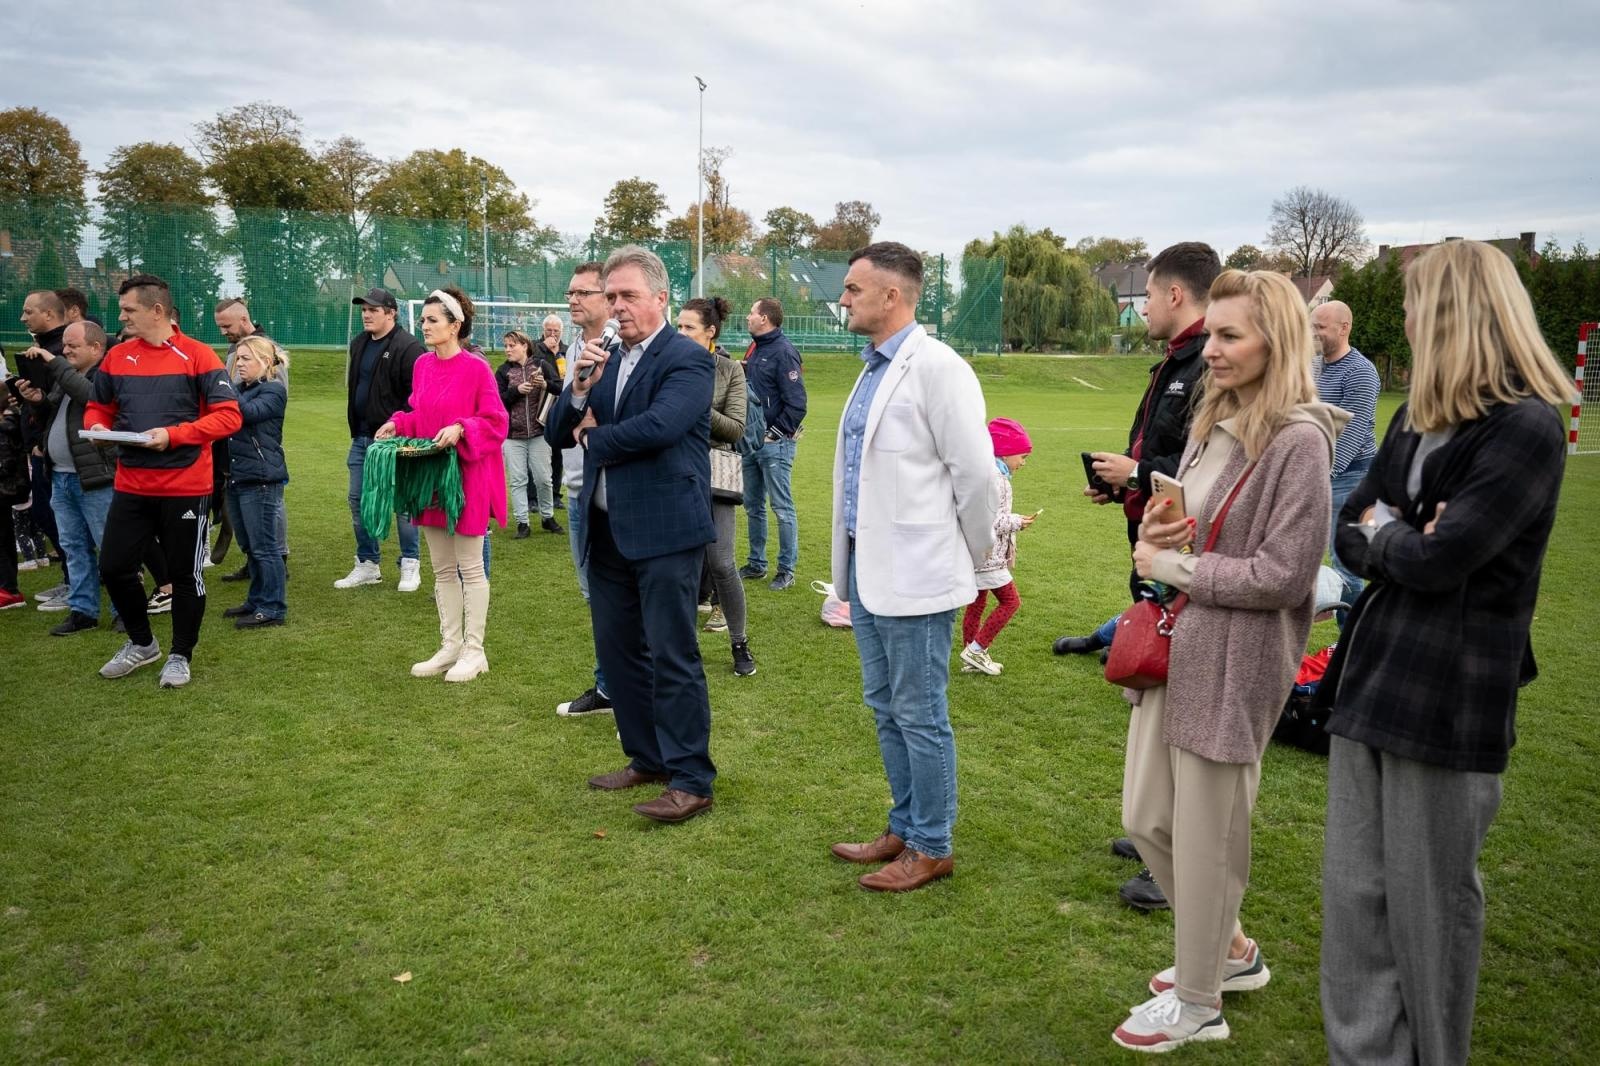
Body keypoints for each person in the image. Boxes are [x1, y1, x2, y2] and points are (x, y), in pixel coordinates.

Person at [1316, 240, 1574, 1066]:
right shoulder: (1415, 416)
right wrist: (1395, 531)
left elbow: (1442, 555)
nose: (1409, 319)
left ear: (1463, 312)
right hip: (1371, 679)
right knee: (1356, 900)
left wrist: (1387, 532)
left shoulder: (1528, 426)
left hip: (1450, 698)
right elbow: (1347, 527)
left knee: (1429, 912)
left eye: (1421, 302)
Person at [1109, 269, 1344, 1052]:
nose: (1210, 349)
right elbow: (1191, 531)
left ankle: (1201, 1000)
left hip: (1237, 662)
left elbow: (1286, 576)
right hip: (1176, 651)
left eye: (1230, 336)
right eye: (1211, 334)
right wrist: (1158, 540)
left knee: (1208, 836)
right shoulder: (1219, 417)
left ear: (1275, 343)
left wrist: (1184, 570)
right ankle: (1231, 951)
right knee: (1147, 818)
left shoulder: (1301, 441)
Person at [1053, 240, 1221, 913]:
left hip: (1185, 559)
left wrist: (1139, 467)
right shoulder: (1173, 364)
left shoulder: (1206, 362)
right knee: (1154, 698)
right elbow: (1167, 455)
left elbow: (1204, 459)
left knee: (1181, 706)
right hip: (1155, 550)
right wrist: (1123, 484)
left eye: (1147, 294)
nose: (1142, 305)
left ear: (1175, 294)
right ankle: (1158, 832)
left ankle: (1176, 856)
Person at [828, 242, 996, 892]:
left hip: (919, 574)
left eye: (852, 288)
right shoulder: (873, 368)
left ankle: (933, 845)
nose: (843, 299)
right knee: (886, 704)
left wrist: (976, 554)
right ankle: (904, 825)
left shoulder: (939, 369)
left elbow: (977, 474)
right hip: (869, 571)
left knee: (920, 711)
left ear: (891, 296)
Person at [548, 245, 717, 823]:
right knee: (618, 654)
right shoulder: (606, 357)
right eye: (611, 296)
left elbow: (662, 427)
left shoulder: (687, 358)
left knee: (672, 654)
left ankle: (691, 777)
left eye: (628, 296)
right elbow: (555, 432)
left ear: (661, 297)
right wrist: (576, 390)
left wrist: (596, 436)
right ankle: (647, 758)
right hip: (607, 527)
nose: (617, 307)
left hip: (666, 531)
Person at [88, 274, 242, 689]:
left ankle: (179, 654)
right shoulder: (117, 356)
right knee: (114, 567)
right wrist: (97, 428)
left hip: (185, 488)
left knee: (185, 575)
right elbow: (98, 407)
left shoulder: (198, 356)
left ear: (157, 311)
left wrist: (173, 435)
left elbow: (229, 416)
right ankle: (142, 644)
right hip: (131, 486)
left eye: (128, 310)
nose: (121, 317)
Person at [373, 287, 507, 682]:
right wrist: (398, 422)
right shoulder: (423, 366)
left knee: (470, 566)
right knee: (443, 569)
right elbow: (420, 413)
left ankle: (474, 650)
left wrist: (462, 427)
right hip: (430, 476)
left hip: (467, 478)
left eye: (433, 320)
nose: (425, 326)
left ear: (455, 325)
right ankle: (450, 646)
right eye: (424, 320)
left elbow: (495, 421)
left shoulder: (477, 368)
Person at [678, 296, 756, 678]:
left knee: (722, 562)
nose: (680, 333)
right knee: (679, 565)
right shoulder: (664, 364)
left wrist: (695, 406)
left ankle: (739, 643)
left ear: (710, 333)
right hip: (672, 473)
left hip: (714, 473)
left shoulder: (729, 370)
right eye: (678, 326)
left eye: (689, 327)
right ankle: (677, 646)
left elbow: (736, 428)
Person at [551, 264, 614, 718]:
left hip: (614, 493)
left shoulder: (621, 349)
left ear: (608, 297)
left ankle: (630, 694)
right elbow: (557, 428)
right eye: (570, 292)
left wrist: (589, 427)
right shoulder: (576, 346)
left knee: (621, 598)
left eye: (582, 292)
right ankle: (608, 687)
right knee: (594, 595)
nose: (572, 300)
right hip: (577, 489)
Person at [339, 288, 426, 593]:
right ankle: (367, 564)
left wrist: (398, 426)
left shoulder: (409, 347)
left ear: (391, 313)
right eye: (364, 309)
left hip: (395, 440)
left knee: (402, 503)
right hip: (361, 438)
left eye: (373, 309)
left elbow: (417, 399)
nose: (366, 314)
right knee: (358, 500)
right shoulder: (359, 343)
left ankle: (410, 563)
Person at [31, 321, 116, 634]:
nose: (64, 351)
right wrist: (37, 400)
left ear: (95, 348)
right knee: (73, 547)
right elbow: (53, 413)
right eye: (63, 347)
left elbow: (93, 398)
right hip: (61, 477)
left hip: (95, 479)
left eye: (71, 346)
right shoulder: (68, 376)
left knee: (109, 548)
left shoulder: (105, 375)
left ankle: (123, 610)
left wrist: (57, 366)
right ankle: (83, 612)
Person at [1310, 299, 1379, 625]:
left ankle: (1353, 639)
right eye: (1313, 326)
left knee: (1346, 563)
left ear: (1344, 327)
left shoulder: (1361, 372)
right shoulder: (1313, 366)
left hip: (1351, 478)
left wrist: (1323, 476)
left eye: (1321, 327)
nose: (1315, 333)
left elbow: (1351, 435)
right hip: (1317, 474)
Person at [214, 297, 289, 581]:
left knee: (268, 519)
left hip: (261, 456)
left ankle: (276, 564)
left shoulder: (268, 356)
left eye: (227, 325)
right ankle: (257, 573)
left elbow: (262, 405)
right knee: (250, 530)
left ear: (244, 320)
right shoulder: (237, 353)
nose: (223, 332)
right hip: (239, 458)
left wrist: (222, 384)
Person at [220, 336, 289, 629]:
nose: (240, 364)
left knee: (265, 547)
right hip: (238, 477)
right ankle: (257, 598)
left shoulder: (274, 390)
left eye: (246, 358)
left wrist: (222, 387)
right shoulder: (239, 389)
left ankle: (272, 607)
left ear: (265, 362)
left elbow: (247, 414)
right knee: (250, 545)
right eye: (239, 358)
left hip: (261, 478)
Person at [958, 418, 1037, 676]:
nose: (1024, 463)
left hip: (978, 552)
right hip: (988, 554)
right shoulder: (995, 479)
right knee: (1010, 602)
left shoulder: (990, 474)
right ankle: (977, 650)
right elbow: (988, 519)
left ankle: (971, 653)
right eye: (1022, 456)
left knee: (977, 601)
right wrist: (1017, 522)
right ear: (1005, 450)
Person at [738, 297, 806, 591]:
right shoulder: (756, 348)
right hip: (751, 443)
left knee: (781, 507)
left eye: (752, 312)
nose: (748, 316)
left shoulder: (784, 352)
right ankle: (756, 563)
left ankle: (786, 570)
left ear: (764, 318)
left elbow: (797, 403)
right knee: (753, 505)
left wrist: (774, 433)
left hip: (774, 444)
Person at [496, 329, 561, 537]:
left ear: (524, 345)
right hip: (513, 436)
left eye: (511, 345)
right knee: (518, 480)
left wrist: (545, 384)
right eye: (505, 345)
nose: (507, 350)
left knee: (544, 479)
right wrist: (516, 391)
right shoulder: (502, 371)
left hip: (539, 432)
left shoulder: (541, 365)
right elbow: (497, 401)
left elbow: (561, 388)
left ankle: (547, 517)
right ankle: (522, 523)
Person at [537, 314, 568, 508]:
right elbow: (532, 364)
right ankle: (533, 498)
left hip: (559, 405)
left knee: (558, 453)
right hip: (539, 405)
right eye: (549, 330)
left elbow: (565, 378)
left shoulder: (566, 350)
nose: (553, 334)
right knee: (538, 455)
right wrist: (545, 350)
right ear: (543, 330)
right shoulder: (535, 348)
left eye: (556, 330)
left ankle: (556, 495)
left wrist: (557, 354)